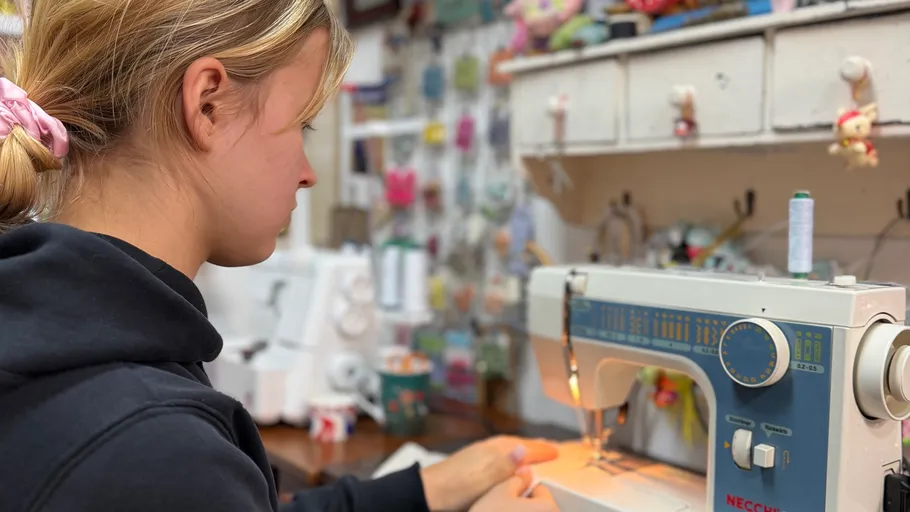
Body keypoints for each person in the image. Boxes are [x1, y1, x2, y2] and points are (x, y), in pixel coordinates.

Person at [0, 1, 561, 511]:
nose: (308, 172)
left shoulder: (60, 346)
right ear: (208, 104)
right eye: (302, 126)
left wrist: (424, 491)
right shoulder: (151, 446)